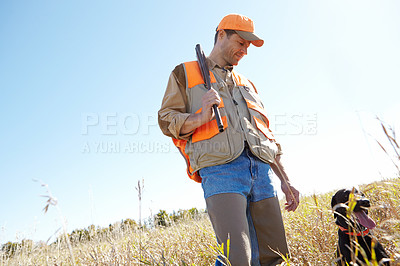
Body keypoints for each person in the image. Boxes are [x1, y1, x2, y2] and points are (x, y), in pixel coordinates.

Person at [158, 13, 300, 266]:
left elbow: (266, 135)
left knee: (274, 255)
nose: (245, 50)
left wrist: (286, 180)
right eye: (241, 42)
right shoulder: (185, 73)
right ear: (221, 34)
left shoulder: (247, 84)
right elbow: (166, 120)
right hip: (221, 170)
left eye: (248, 46)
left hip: (262, 171)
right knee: (238, 257)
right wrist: (201, 115)